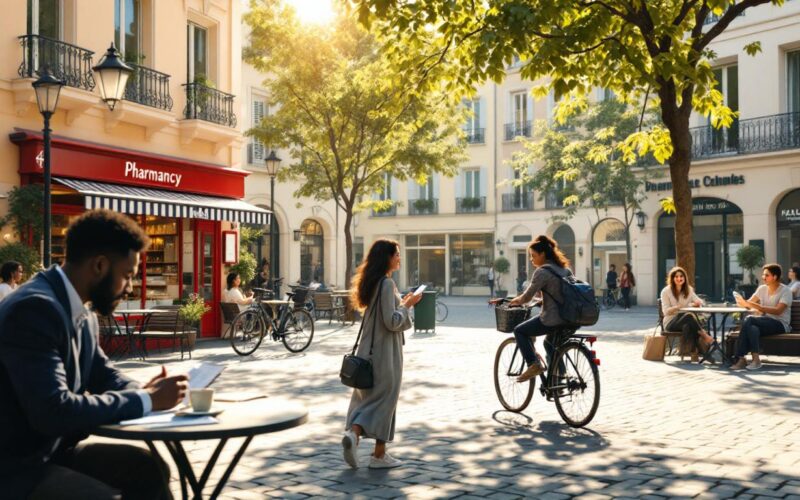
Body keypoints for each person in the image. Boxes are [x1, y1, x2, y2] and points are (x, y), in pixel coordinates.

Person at [0, 209, 188, 499]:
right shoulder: (34, 309)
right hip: (16, 468)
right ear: (99, 265)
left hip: (51, 453)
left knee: (148, 468)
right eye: (127, 276)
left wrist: (141, 390)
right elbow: (54, 411)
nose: (130, 288)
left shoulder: (80, 308)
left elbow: (102, 373)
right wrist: (146, 400)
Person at [342, 239, 421, 470]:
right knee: (386, 401)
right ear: (385, 257)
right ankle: (375, 453)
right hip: (385, 353)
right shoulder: (386, 284)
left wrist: (403, 302)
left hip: (367, 351)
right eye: (396, 254)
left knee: (366, 399)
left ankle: (359, 439)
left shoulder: (373, 282)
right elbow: (392, 321)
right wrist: (408, 304)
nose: (399, 257)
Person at [493, 235, 572, 383]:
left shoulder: (542, 272)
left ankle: (533, 364)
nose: (531, 259)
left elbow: (525, 298)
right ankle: (559, 380)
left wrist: (512, 302)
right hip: (570, 318)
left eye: (533, 255)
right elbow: (562, 294)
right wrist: (542, 301)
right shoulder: (565, 270)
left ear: (543, 254)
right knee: (550, 345)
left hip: (552, 319)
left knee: (519, 331)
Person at [732, 263, 794, 370]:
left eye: (766, 275)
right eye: (763, 275)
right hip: (765, 323)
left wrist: (754, 305)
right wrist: (741, 301)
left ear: (775, 277)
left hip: (780, 324)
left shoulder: (786, 291)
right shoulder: (762, 289)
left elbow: (778, 311)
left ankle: (740, 358)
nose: (763, 277)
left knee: (749, 319)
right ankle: (755, 360)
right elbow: (749, 304)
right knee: (753, 328)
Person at [660, 266, 714, 361]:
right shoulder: (666, 291)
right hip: (670, 322)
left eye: (681, 276)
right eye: (676, 276)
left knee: (689, 324)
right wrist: (677, 307)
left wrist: (696, 304)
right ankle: (704, 336)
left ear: (685, 278)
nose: (679, 278)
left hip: (686, 322)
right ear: (672, 278)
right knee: (689, 316)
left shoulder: (689, 289)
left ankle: (702, 353)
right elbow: (665, 311)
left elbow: (700, 301)